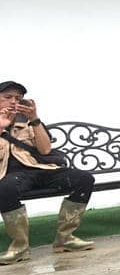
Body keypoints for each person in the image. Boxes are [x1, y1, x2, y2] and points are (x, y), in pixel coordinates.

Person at [0, 81, 96, 264]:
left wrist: (35, 119)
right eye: (7, 97)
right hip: (11, 175)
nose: (13, 101)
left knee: (84, 179)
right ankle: (20, 247)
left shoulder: (27, 120)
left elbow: (44, 150)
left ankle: (65, 238)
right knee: (5, 188)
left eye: (18, 98)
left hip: (40, 169)